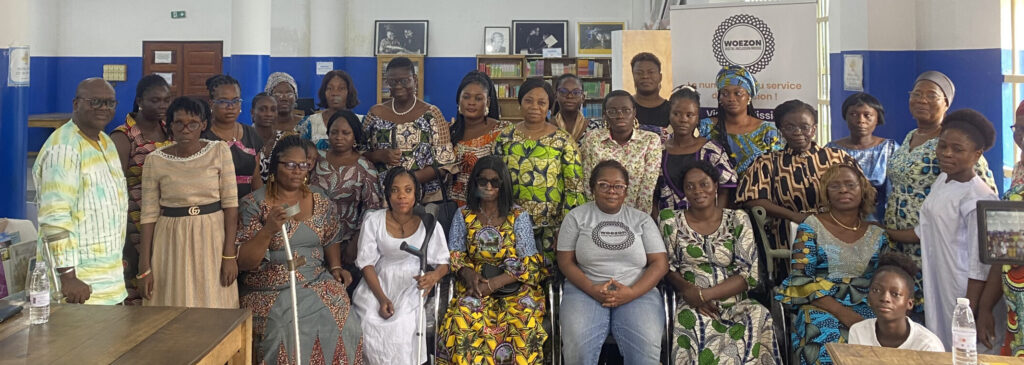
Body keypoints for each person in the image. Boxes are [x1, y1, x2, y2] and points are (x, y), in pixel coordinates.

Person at [236, 135, 362, 364]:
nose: (297, 171)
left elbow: (331, 236)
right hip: (270, 288)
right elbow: (244, 262)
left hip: (315, 279)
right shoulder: (253, 204)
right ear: (275, 166)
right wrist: (268, 230)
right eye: (290, 165)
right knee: (285, 326)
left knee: (343, 313)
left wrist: (335, 267)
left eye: (303, 165)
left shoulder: (319, 198)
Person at [887, 109, 1004, 351]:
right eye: (942, 146)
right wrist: (883, 231)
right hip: (940, 282)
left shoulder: (977, 198)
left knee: (966, 349)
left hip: (963, 290)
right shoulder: (944, 180)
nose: (946, 154)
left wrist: (971, 310)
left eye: (958, 149)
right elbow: (924, 230)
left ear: (977, 154)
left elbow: (980, 263)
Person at [884, 71, 997, 313]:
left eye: (931, 95)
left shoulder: (960, 146)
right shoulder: (910, 137)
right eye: (916, 94)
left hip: (942, 251)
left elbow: (986, 206)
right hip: (904, 245)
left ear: (946, 102)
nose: (922, 100)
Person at [662, 161, 781, 364]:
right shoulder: (670, 220)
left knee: (759, 314)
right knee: (690, 322)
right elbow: (668, 267)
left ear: (716, 186)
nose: (698, 191)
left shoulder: (737, 219)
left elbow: (747, 275)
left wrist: (703, 295)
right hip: (692, 303)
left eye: (704, 184)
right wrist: (692, 295)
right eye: (690, 186)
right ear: (683, 191)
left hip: (736, 300)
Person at [436, 155, 548, 364]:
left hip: (513, 287)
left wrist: (495, 284)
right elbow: (454, 254)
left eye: (494, 182)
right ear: (475, 183)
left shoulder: (518, 215)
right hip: (475, 285)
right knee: (462, 321)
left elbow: (530, 262)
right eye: (482, 181)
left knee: (523, 326)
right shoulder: (464, 214)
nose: (488, 186)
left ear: (503, 184)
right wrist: (468, 274)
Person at [557, 160, 669, 364]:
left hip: (637, 291)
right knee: (578, 349)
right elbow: (565, 261)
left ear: (626, 191)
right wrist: (591, 288)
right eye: (603, 185)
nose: (612, 191)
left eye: (618, 186)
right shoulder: (576, 217)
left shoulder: (642, 219)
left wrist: (632, 292)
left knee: (645, 349)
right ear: (592, 188)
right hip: (584, 290)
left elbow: (660, 264)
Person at [775, 164, 888, 365]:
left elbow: (887, 280)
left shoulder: (878, 234)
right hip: (822, 307)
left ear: (862, 190)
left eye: (850, 185)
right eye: (835, 186)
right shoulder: (811, 226)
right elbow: (801, 278)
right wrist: (846, 315)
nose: (843, 190)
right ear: (826, 193)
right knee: (828, 352)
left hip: (870, 307)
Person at [137, 96, 239, 308]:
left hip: (211, 235)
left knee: (213, 300)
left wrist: (229, 255)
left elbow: (231, 206)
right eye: (179, 123)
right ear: (170, 125)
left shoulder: (219, 151)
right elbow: (148, 215)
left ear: (203, 125)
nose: (185, 129)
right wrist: (144, 266)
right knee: (172, 298)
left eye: (192, 123)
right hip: (171, 238)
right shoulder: (154, 160)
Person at [34, 78, 129, 305]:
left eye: (109, 103)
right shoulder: (64, 148)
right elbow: (55, 217)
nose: (103, 109)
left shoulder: (105, 142)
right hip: (79, 286)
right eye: (95, 102)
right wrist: (68, 276)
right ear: (76, 104)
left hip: (109, 281)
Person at [353, 167, 450, 365]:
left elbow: (443, 263)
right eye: (395, 190)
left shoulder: (428, 223)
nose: (401, 196)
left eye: (408, 190)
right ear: (387, 194)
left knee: (402, 324)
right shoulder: (374, 220)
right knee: (367, 321)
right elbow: (366, 263)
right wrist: (382, 298)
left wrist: (433, 277)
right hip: (378, 281)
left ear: (416, 194)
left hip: (412, 281)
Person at [738, 99, 857, 254]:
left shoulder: (837, 158)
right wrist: (796, 217)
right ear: (780, 130)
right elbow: (752, 199)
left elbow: (863, 192)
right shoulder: (766, 162)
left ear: (814, 129)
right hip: (787, 234)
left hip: (837, 228)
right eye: (789, 127)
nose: (797, 132)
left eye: (804, 127)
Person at [493, 77, 586, 265]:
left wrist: (568, 229)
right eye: (528, 100)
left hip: (552, 227)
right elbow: (494, 182)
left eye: (541, 102)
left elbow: (574, 189)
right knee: (514, 275)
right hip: (511, 223)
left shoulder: (563, 141)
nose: (534, 106)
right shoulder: (504, 138)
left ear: (550, 107)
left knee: (548, 276)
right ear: (520, 104)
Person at [110, 74, 172, 303]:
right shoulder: (123, 136)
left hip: (166, 218)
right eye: (155, 100)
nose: (162, 106)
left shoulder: (171, 131)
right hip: (133, 220)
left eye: (166, 100)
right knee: (136, 281)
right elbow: (114, 186)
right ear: (139, 101)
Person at [363, 56, 456, 204]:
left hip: (424, 199)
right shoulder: (374, 114)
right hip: (382, 198)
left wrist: (406, 182)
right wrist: (379, 155)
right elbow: (358, 154)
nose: (399, 86)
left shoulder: (432, 114)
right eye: (393, 82)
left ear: (415, 79)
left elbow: (445, 164)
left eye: (405, 81)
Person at [309, 110, 383, 286]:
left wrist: (355, 243)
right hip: (313, 238)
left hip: (347, 243)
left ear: (355, 136)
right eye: (334, 132)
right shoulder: (316, 158)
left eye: (345, 133)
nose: (338, 137)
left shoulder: (365, 167)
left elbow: (371, 210)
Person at [982, 100, 1024, 356]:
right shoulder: (1019, 170)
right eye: (1017, 129)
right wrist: (986, 307)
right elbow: (1004, 247)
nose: (1020, 136)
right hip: (1016, 307)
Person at [655, 86, 737, 212]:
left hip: (708, 226)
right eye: (676, 114)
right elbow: (652, 195)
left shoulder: (711, 150)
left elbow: (726, 190)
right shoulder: (658, 151)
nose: (683, 120)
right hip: (667, 226)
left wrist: (715, 220)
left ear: (697, 117)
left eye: (689, 115)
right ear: (669, 115)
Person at [579, 90, 661, 214]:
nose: (620, 115)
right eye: (612, 111)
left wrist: (638, 219)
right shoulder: (592, 138)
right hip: (597, 213)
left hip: (635, 215)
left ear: (634, 113)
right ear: (605, 115)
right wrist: (595, 214)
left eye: (626, 110)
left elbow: (647, 188)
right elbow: (587, 182)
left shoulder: (650, 140)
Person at [848, 252, 944, 352]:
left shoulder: (927, 346)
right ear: (868, 297)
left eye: (895, 294)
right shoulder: (859, 332)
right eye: (876, 290)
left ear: (909, 303)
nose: (885, 298)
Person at [826, 93, 899, 222]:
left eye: (867, 115)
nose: (860, 120)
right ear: (845, 117)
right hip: (838, 220)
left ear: (877, 118)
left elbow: (895, 193)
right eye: (853, 114)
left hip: (880, 222)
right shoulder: (831, 150)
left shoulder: (890, 149)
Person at [697, 65, 783, 175]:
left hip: (758, 190)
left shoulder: (768, 131)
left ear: (749, 97)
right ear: (719, 98)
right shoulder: (705, 127)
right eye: (725, 94)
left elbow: (777, 168)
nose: (731, 98)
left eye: (738, 93)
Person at [448, 71, 509, 207]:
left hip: (487, 207)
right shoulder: (448, 131)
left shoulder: (502, 131)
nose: (471, 103)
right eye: (466, 97)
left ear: (487, 102)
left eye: (478, 98)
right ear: (459, 100)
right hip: (452, 208)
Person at [200, 74, 264, 199]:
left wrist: (261, 207)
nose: (231, 107)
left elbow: (256, 178)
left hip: (246, 208)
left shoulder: (251, 134)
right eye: (224, 101)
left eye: (235, 101)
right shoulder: (203, 136)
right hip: (214, 206)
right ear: (212, 103)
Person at [297, 70, 360, 150]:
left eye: (341, 88)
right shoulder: (308, 123)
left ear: (349, 92)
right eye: (329, 88)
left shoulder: (361, 122)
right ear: (324, 92)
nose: (335, 93)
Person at [552, 73, 597, 141]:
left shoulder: (595, 127)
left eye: (576, 92)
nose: (570, 96)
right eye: (563, 92)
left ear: (583, 98)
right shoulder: (547, 126)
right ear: (556, 96)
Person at [630, 52, 670, 128]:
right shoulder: (625, 108)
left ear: (660, 77)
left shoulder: (672, 110)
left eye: (651, 72)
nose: (645, 76)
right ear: (633, 76)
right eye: (639, 73)